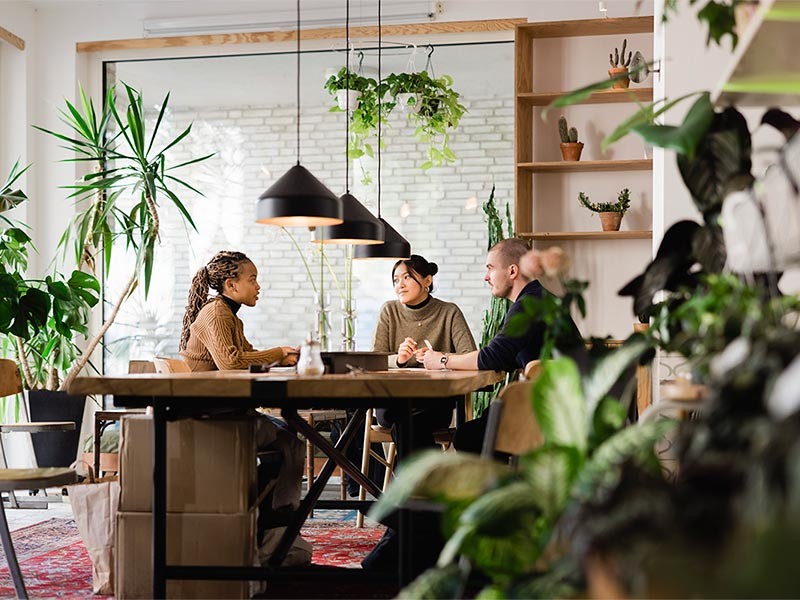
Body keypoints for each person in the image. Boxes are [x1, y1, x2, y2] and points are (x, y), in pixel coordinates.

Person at [178, 250, 308, 564]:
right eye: (252, 280)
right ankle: (274, 538)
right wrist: (277, 352)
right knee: (291, 444)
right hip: (211, 415)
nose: (258, 286)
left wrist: (282, 357)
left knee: (292, 441)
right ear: (231, 284)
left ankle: (275, 534)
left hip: (226, 410)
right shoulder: (217, 313)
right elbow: (231, 362)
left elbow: (245, 357)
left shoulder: (229, 314)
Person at [422, 238, 580, 453]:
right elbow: (505, 356)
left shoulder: (529, 305)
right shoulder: (538, 299)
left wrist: (441, 360)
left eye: (490, 268)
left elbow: (493, 357)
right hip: (563, 407)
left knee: (468, 436)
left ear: (512, 271)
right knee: (476, 429)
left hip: (552, 413)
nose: (486, 277)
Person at [372, 254, 476, 454]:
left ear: (428, 280)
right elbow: (375, 360)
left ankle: (409, 483)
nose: (399, 285)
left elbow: (469, 356)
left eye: (407, 277)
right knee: (409, 421)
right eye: (396, 280)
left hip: (433, 402)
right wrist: (399, 360)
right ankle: (423, 482)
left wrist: (439, 358)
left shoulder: (449, 312)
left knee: (409, 423)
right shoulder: (389, 311)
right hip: (393, 399)